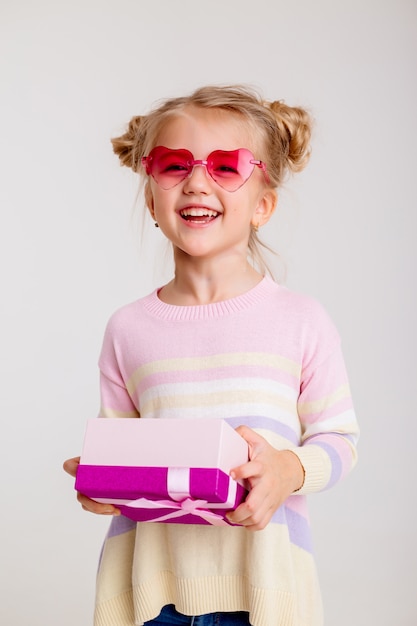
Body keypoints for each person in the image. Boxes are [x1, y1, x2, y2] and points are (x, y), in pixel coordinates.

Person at [64, 84, 359, 626]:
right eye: (175, 165)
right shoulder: (127, 328)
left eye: (226, 167)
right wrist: (102, 482)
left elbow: (340, 441)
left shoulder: (301, 320)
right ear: (152, 198)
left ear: (263, 205)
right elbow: (123, 448)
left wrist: (288, 469)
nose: (197, 182)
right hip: (150, 591)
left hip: (264, 590)